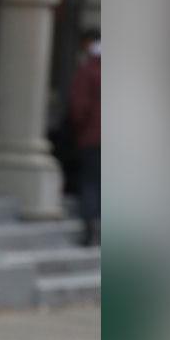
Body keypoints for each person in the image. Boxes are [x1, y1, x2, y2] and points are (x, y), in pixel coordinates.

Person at [69, 27, 101, 246]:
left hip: (94, 138)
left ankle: (90, 230)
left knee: (90, 183)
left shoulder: (89, 70)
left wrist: (79, 130)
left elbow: (79, 108)